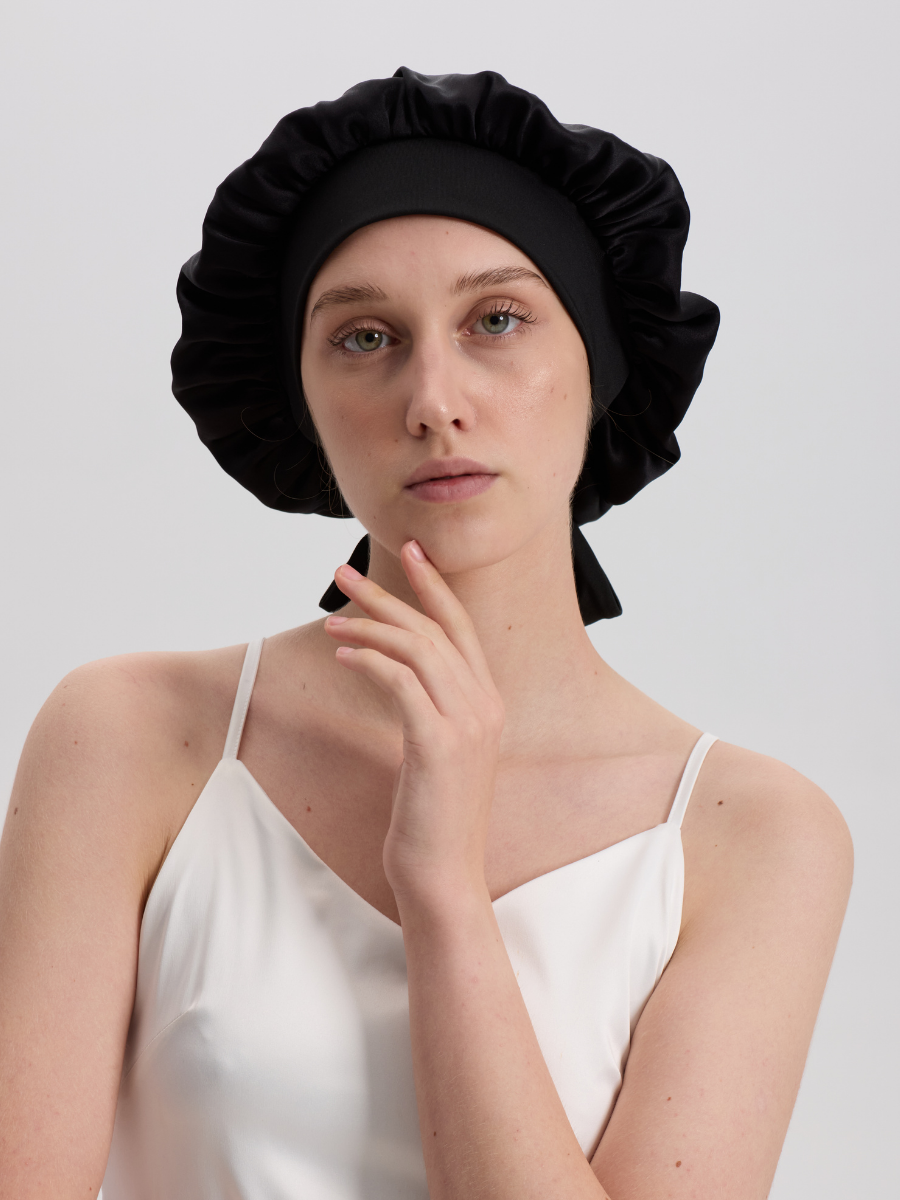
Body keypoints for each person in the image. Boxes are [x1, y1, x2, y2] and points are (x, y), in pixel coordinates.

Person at [0, 69, 852, 1199]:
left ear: (598, 362)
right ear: (299, 398)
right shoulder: (132, 737)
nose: (432, 400)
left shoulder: (753, 835)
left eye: (497, 320)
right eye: (364, 337)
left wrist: (443, 889)